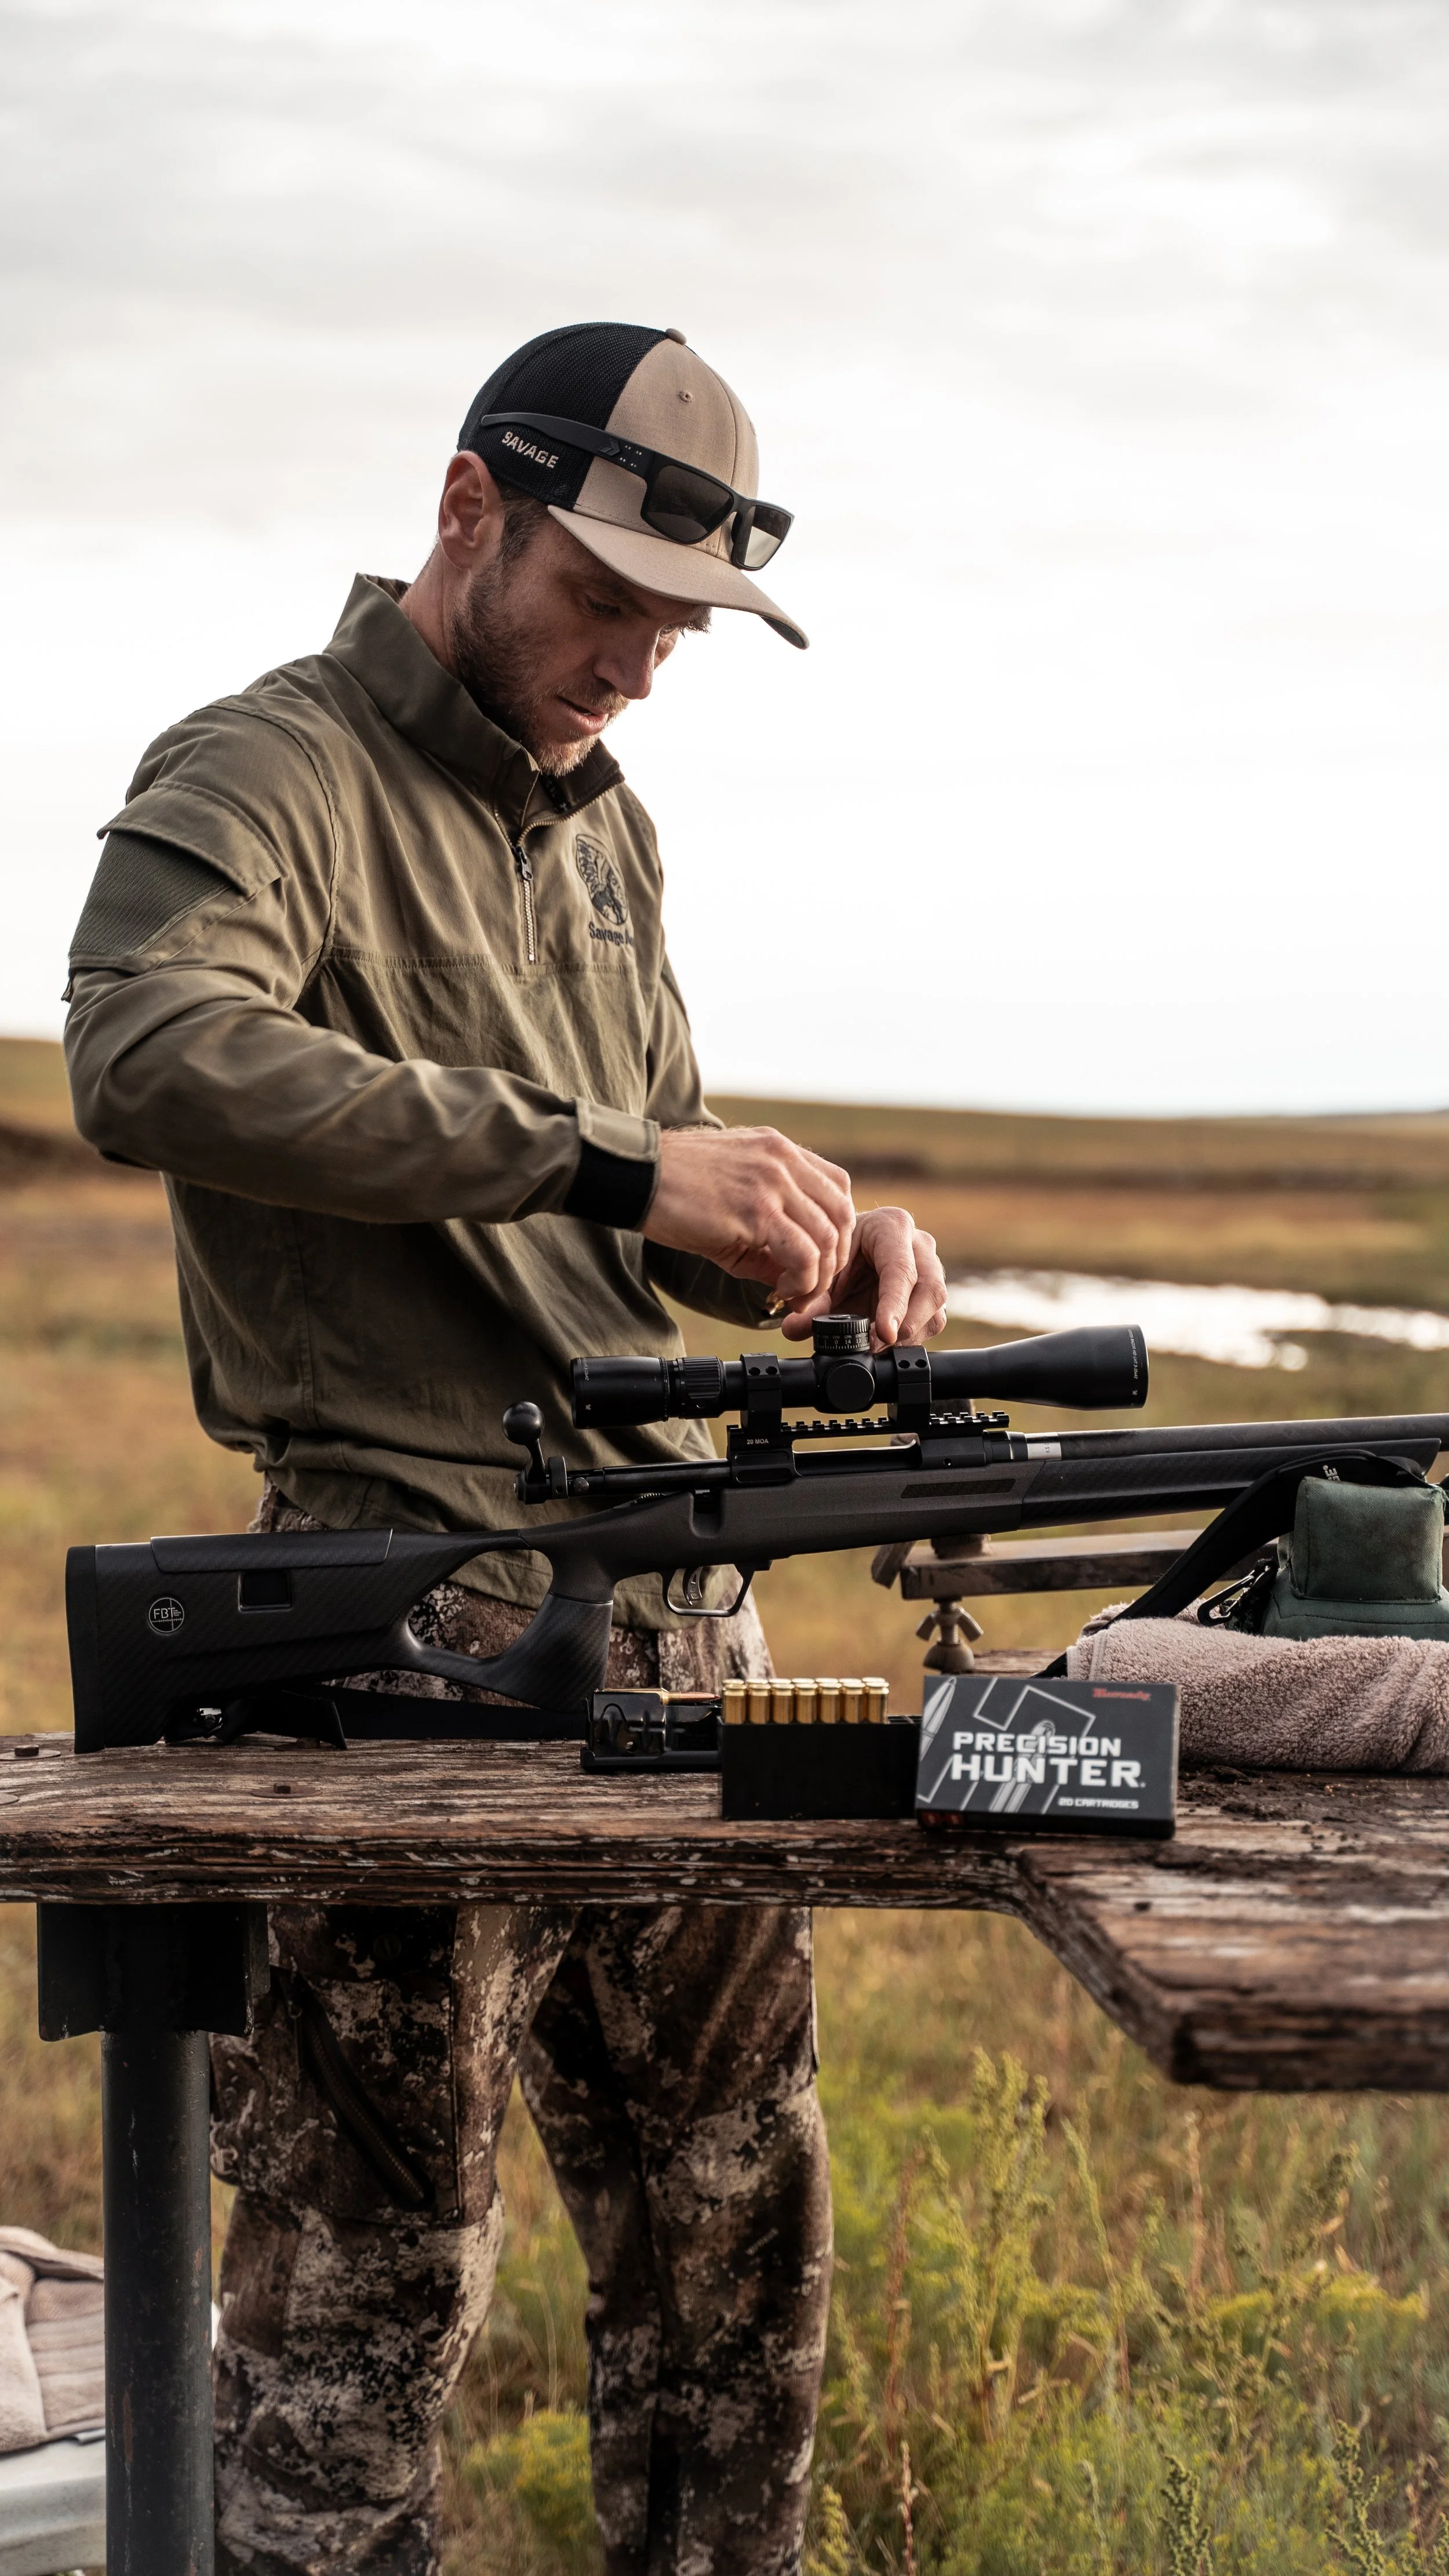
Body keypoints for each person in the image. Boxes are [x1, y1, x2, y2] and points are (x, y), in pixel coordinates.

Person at [64, 320, 946, 2576]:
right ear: (470, 509)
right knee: (368, 2312)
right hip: (404, 1636)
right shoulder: (263, 771)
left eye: (681, 625)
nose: (640, 662)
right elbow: (149, 1053)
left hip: (679, 1637)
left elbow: (610, 1219)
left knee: (739, 2269)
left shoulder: (613, 833)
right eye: (604, 599)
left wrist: (800, 1257)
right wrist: (613, 1161)